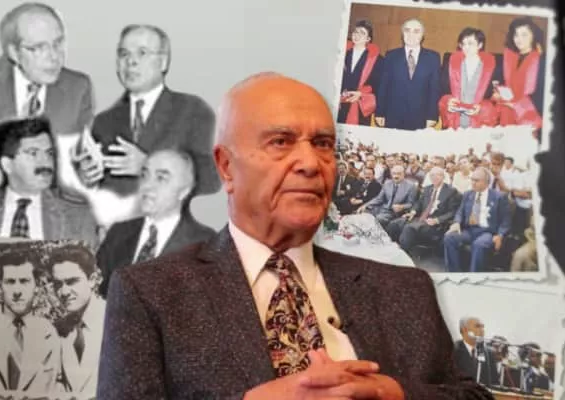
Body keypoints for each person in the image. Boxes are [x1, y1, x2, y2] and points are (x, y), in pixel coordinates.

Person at [97, 72, 492, 399]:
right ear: (226, 167)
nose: (310, 163)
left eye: (323, 144)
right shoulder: (152, 293)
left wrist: (393, 393)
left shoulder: (404, 290)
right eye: (281, 142)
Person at [75, 24, 220, 198]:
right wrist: (87, 178)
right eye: (124, 54)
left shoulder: (192, 110)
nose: (131, 61)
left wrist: (149, 165)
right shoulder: (103, 121)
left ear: (163, 62)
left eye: (142, 53)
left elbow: (212, 180)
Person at [0, 117, 98, 249]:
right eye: (33, 153)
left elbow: (88, 261)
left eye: (49, 153)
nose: (45, 162)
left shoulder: (76, 215)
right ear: (7, 164)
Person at [96, 149, 216, 296]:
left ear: (184, 191)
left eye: (161, 178)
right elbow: (94, 294)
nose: (147, 186)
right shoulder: (119, 232)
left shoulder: (204, 244)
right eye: (144, 175)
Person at [0, 2, 94, 134]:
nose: (54, 56)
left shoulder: (78, 88)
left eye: (58, 43)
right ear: (14, 53)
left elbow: (81, 144)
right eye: (39, 48)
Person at [0, 250, 60, 398]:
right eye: (10, 282)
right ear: (0, 285)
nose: (17, 291)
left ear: (36, 285)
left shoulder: (48, 333)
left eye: (24, 281)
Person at [48, 245, 106, 398]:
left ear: (92, 280)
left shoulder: (118, 321)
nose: (64, 292)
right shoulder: (58, 330)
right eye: (58, 284)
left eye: (72, 281)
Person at [375, 18, 441, 131]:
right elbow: (383, 86)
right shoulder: (391, 55)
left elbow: (434, 89)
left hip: (420, 117)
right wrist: (380, 112)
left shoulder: (433, 57)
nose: (411, 34)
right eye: (407, 30)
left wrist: (432, 115)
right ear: (402, 33)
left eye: (416, 31)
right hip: (393, 115)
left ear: (422, 35)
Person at [444, 167, 511, 272]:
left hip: (487, 232)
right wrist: (457, 222)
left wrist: (500, 235)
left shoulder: (499, 197)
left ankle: (474, 275)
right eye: (472, 180)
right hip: (469, 230)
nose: (473, 183)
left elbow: (506, 221)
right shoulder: (468, 194)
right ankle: (454, 272)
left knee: (479, 244)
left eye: (476, 180)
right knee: (449, 237)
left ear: (486, 182)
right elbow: (460, 211)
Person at [387, 167, 461, 253]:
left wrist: (437, 220)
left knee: (409, 228)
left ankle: (402, 254)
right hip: (420, 219)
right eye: (432, 175)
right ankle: (390, 248)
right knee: (395, 223)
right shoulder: (427, 189)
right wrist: (413, 212)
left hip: (435, 224)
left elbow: (453, 212)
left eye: (438, 175)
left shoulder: (451, 191)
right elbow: (419, 203)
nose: (434, 177)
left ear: (443, 177)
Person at [493, 17, 546, 137]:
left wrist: (516, 105)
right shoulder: (508, 58)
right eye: (516, 35)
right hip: (506, 111)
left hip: (529, 116)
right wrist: (497, 93)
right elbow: (500, 83)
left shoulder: (541, 61)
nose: (519, 39)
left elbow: (541, 95)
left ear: (533, 36)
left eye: (524, 35)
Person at [439, 27, 497, 129]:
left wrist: (482, 107)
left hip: (479, 122)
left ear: (480, 45)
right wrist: (448, 101)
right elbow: (441, 89)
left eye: (470, 43)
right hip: (455, 121)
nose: (466, 47)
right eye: (463, 44)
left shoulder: (492, 67)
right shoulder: (451, 63)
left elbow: (495, 96)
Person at [337, 19, 383, 126]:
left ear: (368, 39)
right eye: (356, 31)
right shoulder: (341, 53)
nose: (357, 35)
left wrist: (361, 94)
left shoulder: (377, 59)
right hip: (339, 104)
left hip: (360, 106)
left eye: (362, 33)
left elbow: (378, 85)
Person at [453, 317, 498, 387]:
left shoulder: (488, 353)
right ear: (464, 330)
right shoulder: (454, 349)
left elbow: (494, 382)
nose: (482, 330)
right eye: (477, 326)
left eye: (483, 327)